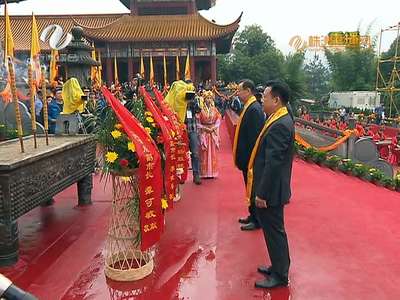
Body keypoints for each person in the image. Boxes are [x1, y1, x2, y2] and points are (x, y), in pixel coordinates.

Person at [249, 80, 294, 289]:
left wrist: (262, 193)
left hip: (272, 190)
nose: (262, 100)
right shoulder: (278, 118)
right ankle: (277, 266)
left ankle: (280, 275)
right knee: (272, 230)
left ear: (276, 100)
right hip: (272, 188)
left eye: (265, 97)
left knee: (275, 231)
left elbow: (273, 163)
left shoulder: (281, 124)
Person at [233, 79, 265, 231]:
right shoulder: (249, 106)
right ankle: (252, 215)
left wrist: (252, 159)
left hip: (251, 159)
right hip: (247, 159)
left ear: (248, 91)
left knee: (253, 188)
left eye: (239, 90)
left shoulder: (254, 109)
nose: (237, 93)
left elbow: (255, 138)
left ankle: (257, 220)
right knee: (249, 187)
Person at [197, 91, 222, 178]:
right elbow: (198, 122)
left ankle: (212, 172)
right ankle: (204, 172)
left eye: (210, 98)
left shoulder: (214, 109)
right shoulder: (200, 110)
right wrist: (204, 128)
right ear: (204, 99)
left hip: (212, 132)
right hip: (204, 132)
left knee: (212, 152)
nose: (209, 100)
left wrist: (214, 128)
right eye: (207, 98)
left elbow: (218, 119)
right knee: (204, 152)